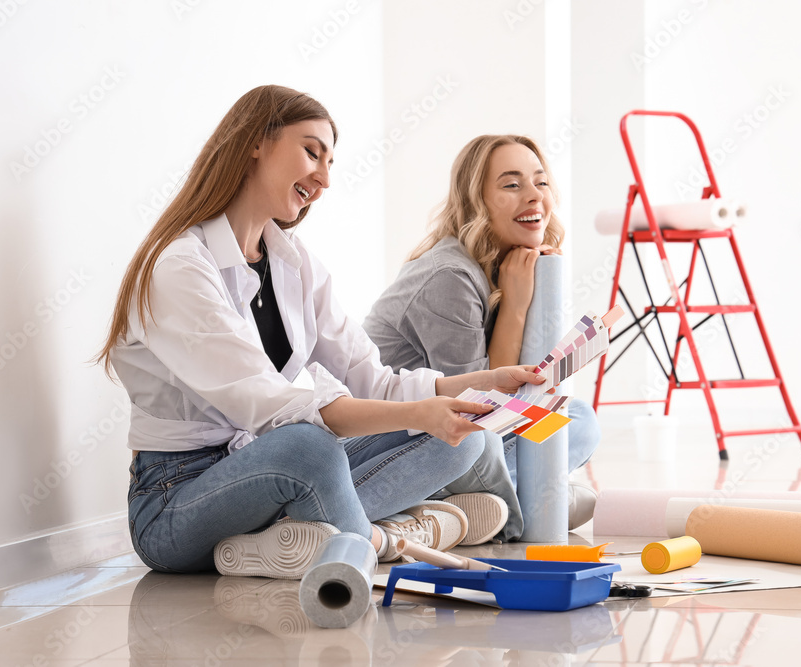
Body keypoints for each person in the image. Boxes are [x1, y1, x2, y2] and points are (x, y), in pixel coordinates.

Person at [96, 86, 545, 578]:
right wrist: (420, 413)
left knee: (469, 440)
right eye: (312, 152)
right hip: (175, 501)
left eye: (330, 161)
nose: (325, 178)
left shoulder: (294, 261)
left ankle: (297, 537)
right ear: (255, 142)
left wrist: (478, 386)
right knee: (308, 446)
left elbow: (368, 376)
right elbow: (273, 408)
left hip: (264, 467)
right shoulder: (180, 266)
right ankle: (384, 538)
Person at [363, 135, 601, 543]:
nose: (533, 197)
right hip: (403, 440)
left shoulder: (515, 263)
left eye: (540, 182)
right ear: (477, 202)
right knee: (481, 446)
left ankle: (468, 507)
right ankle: (521, 510)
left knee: (579, 419)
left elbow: (522, 396)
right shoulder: (449, 276)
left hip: (466, 430)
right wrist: (515, 308)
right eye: (511, 185)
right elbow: (480, 408)